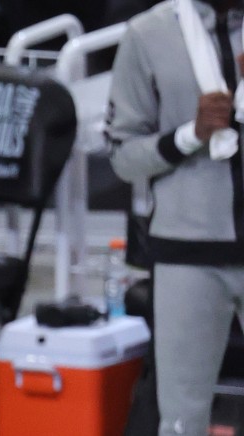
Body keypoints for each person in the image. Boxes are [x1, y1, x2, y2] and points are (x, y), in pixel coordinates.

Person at [106, 1, 244, 434]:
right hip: (187, 253)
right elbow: (123, 157)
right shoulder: (148, 33)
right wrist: (190, 135)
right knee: (182, 420)